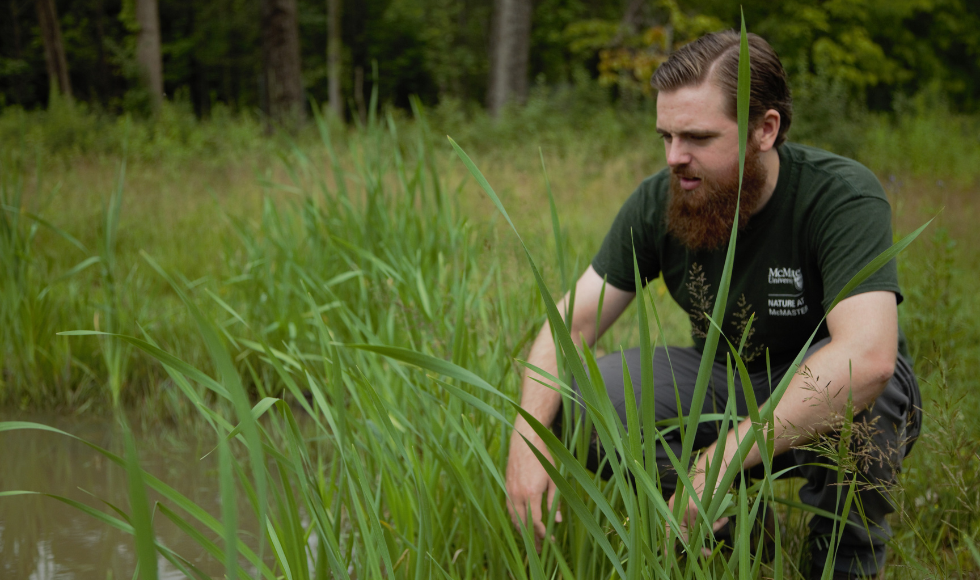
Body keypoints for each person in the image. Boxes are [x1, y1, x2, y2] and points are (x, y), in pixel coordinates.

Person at [504, 30, 920, 580]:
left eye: (698, 137)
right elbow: (571, 323)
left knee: (871, 390)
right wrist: (526, 445)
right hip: (723, 381)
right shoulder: (665, 196)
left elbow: (867, 357)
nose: (676, 158)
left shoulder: (839, 196)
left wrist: (718, 461)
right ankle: (733, 530)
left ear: (764, 129)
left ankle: (842, 562)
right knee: (582, 401)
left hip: (823, 388)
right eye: (666, 136)